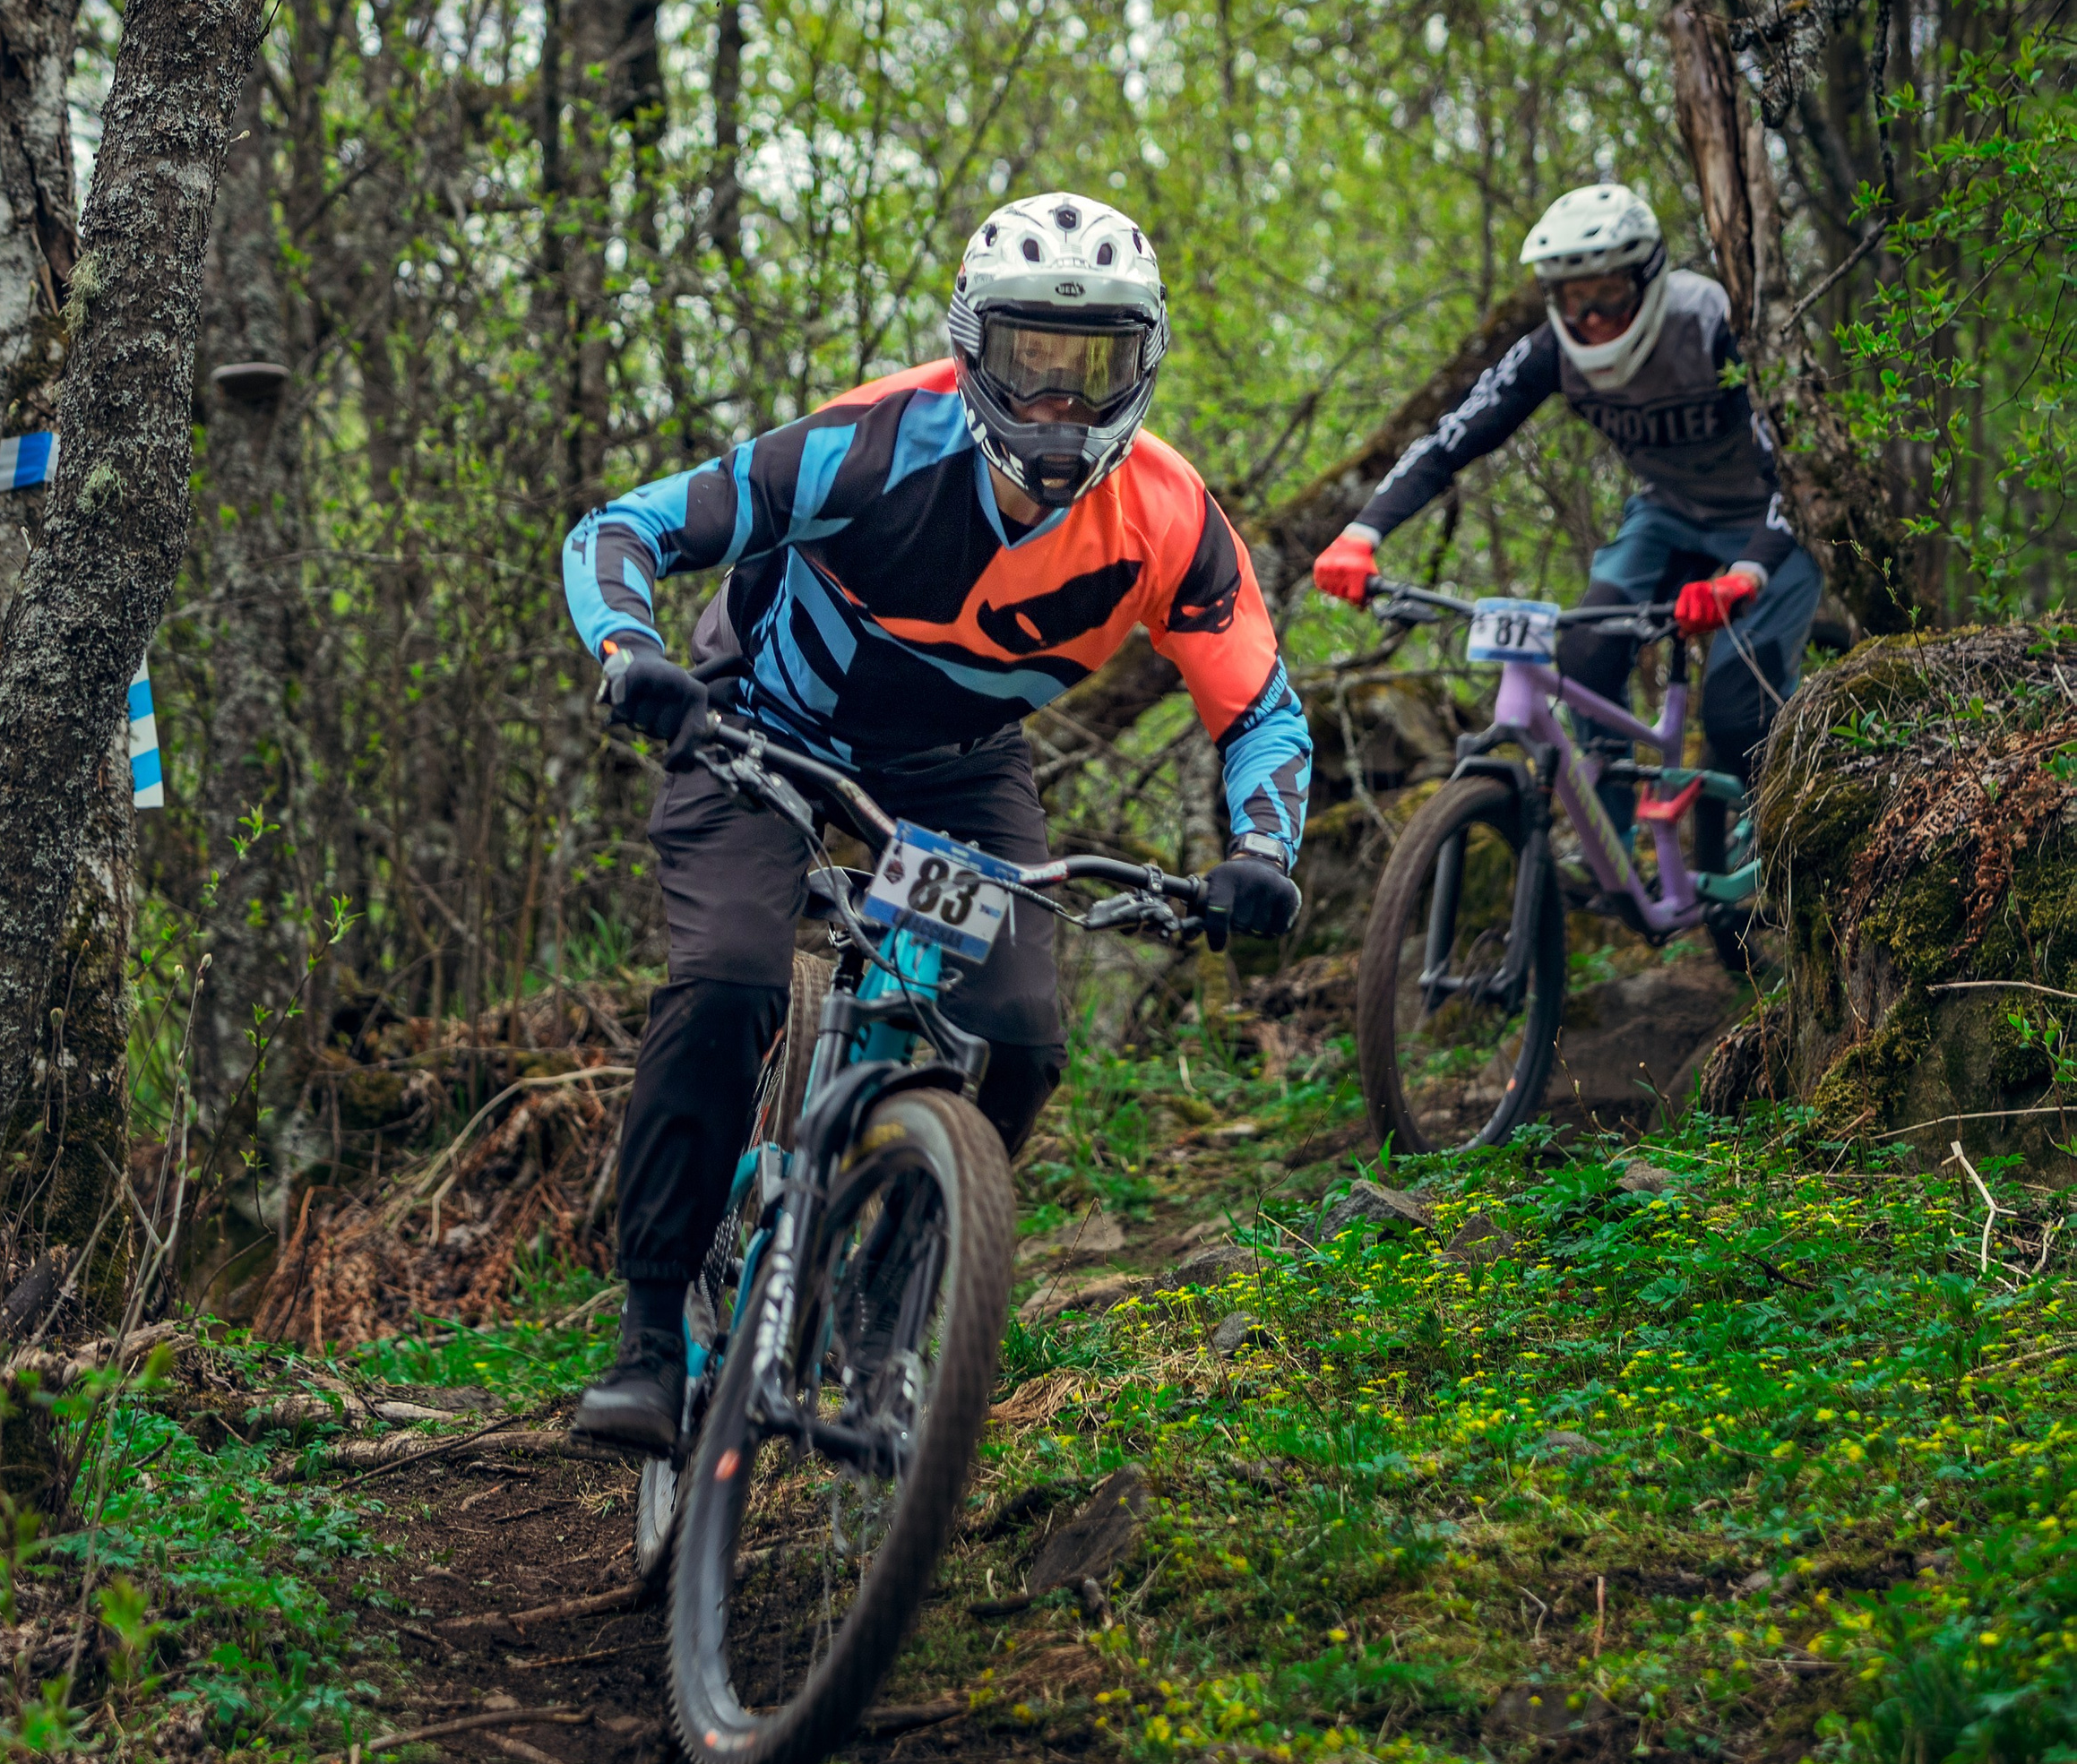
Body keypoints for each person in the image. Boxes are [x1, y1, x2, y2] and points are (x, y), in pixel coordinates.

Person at [561, 191, 1313, 1450]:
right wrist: (633, 652)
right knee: (732, 976)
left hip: (959, 770)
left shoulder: (1172, 518)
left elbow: (1262, 710)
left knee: (1018, 1041)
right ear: (975, 350)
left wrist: (1262, 853)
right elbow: (624, 528)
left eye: (1098, 370)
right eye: (1033, 363)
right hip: (758, 727)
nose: (1061, 406)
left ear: (1148, 363)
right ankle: (649, 1333)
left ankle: (883, 1300)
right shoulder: (866, 447)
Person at [1310, 184, 1822, 848]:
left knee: (1732, 711)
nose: (1593, 316)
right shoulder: (1550, 351)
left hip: (1776, 521)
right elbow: (1452, 439)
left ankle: (1784, 854)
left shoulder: (1716, 323)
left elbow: (1800, 466)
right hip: (1670, 516)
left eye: (1608, 292)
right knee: (1585, 655)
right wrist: (1361, 533)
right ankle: (1606, 847)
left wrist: (1748, 573)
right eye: (1572, 298)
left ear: (1647, 278)